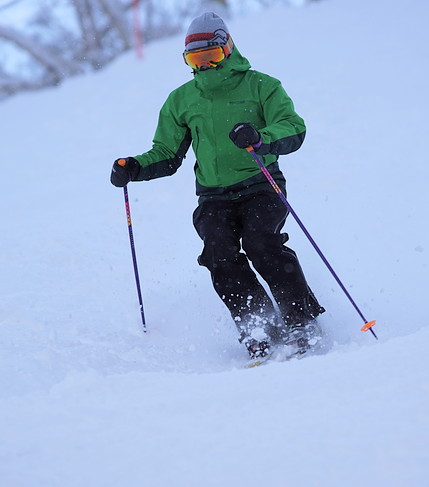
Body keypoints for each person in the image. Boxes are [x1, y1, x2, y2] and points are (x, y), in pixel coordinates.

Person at [110, 12, 324, 359]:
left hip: (260, 183)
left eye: (211, 56)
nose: (205, 66)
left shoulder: (261, 85)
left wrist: (260, 137)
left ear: (228, 48)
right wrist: (134, 168)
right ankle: (258, 324)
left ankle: (300, 322)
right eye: (196, 60)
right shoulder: (181, 99)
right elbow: (167, 153)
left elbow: (293, 127)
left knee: (262, 244)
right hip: (214, 195)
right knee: (218, 255)